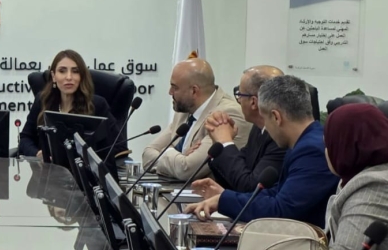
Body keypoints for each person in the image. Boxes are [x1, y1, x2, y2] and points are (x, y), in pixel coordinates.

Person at [187, 75, 339, 228]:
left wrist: (223, 201)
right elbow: (274, 193)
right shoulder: (303, 142)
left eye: (265, 119)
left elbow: (280, 210)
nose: (265, 128)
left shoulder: (311, 150)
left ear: (276, 117)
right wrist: (224, 198)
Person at [142, 59, 249, 181]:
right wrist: (181, 156)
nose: (170, 92)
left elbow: (186, 170)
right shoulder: (184, 111)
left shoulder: (226, 115)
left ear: (194, 91)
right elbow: (147, 155)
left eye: (174, 87)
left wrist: (169, 152)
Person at [323, 104, 388, 250]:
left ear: (345, 146)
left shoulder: (375, 184)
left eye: (329, 143)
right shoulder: (357, 177)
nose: (326, 151)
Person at [192, 66, 286, 197]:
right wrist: (217, 143)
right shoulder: (258, 129)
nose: (239, 100)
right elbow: (234, 180)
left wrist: (225, 142)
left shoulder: (280, 137)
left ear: (253, 102)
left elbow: (250, 188)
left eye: (240, 95)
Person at [18, 49, 124, 166]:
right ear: (53, 76)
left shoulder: (97, 105)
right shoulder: (43, 100)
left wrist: (88, 157)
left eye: (75, 71)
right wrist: (37, 154)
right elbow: (25, 138)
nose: (69, 77)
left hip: (83, 172)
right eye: (62, 71)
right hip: (47, 172)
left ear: (81, 76)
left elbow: (119, 145)